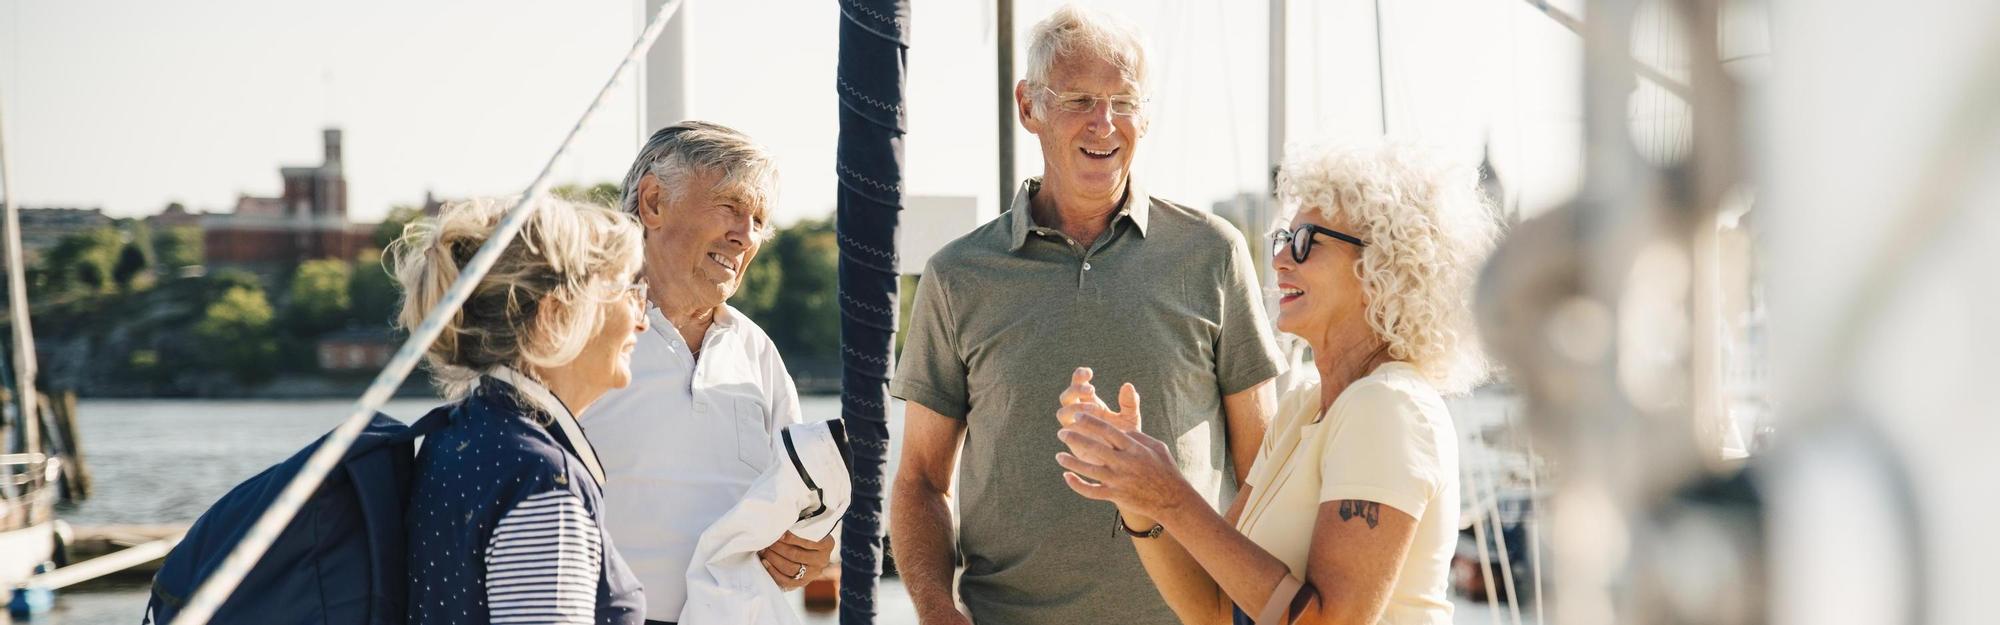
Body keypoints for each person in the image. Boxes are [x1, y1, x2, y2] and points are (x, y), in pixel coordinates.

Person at [889, 5, 1285, 624]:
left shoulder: (1213, 253)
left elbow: (1265, 470)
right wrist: (937, 610)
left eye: (1124, 101)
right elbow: (918, 481)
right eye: (1076, 99)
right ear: (1029, 107)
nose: (1105, 123)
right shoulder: (957, 276)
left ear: (1145, 115)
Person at [1053, 141, 1498, 625]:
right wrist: (1136, 495)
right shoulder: (1304, 408)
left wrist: (1169, 494)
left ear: (1383, 267)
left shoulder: (1388, 407)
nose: (1282, 258)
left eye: (1308, 240)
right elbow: (1215, 607)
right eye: (1284, 237)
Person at [582, 121, 832, 625]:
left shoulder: (759, 354)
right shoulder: (579, 333)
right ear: (653, 202)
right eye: (730, 208)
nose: (745, 236)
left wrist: (805, 559)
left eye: (759, 220)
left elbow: (804, 518)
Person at [394, 196, 651, 624]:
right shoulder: (542, 478)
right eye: (628, 291)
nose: (642, 319)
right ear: (558, 316)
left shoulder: (454, 437)